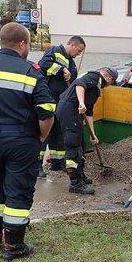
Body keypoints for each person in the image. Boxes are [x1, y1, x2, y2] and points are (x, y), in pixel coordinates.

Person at [0, 23, 55, 261]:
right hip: (21, 138)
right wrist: (41, 137)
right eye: (28, 44)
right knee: (17, 192)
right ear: (22, 44)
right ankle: (14, 246)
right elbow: (47, 112)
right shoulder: (31, 72)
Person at [57, 67, 118, 194]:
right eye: (112, 83)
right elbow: (79, 85)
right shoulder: (94, 76)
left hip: (76, 114)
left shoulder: (95, 90)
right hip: (69, 111)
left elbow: (89, 113)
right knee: (73, 147)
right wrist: (81, 103)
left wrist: (93, 135)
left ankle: (81, 176)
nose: (108, 86)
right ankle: (75, 183)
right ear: (110, 78)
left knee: (81, 146)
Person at [37, 36, 85, 176]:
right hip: (49, 99)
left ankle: (57, 162)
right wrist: (61, 69)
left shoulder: (72, 63)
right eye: (79, 50)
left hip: (61, 103)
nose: (79, 54)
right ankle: (37, 165)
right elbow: (43, 64)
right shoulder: (55, 51)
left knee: (57, 133)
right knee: (44, 133)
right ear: (72, 45)